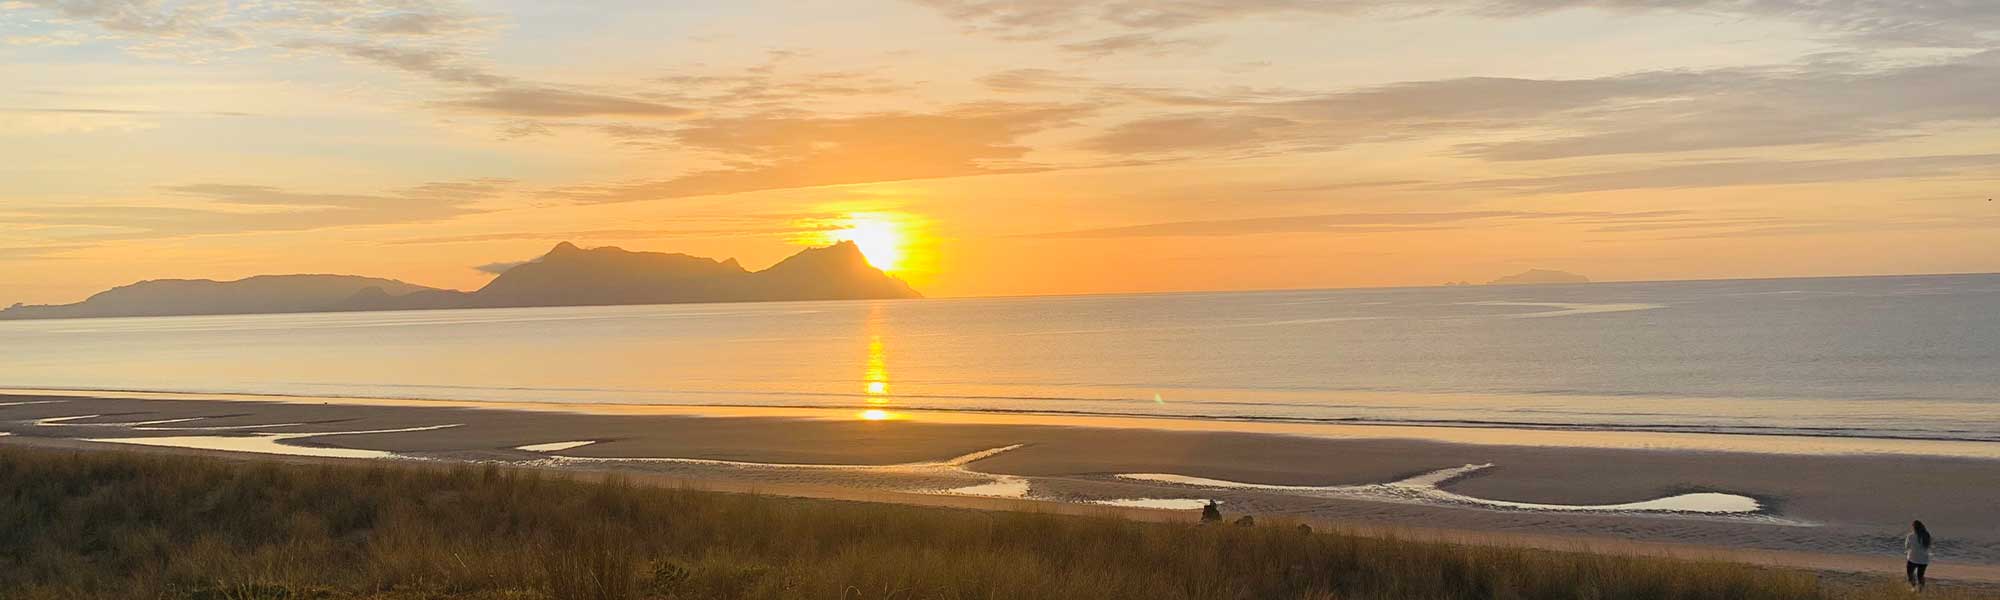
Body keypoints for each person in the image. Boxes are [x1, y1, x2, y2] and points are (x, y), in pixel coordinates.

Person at [1906, 520, 1933, 592]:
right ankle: (1920, 590)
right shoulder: (1927, 535)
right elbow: (1929, 546)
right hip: (1924, 560)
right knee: (1920, 576)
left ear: (1914, 527)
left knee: (1910, 575)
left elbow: (1907, 547)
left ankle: (1913, 587)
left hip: (1912, 559)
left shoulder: (1910, 536)